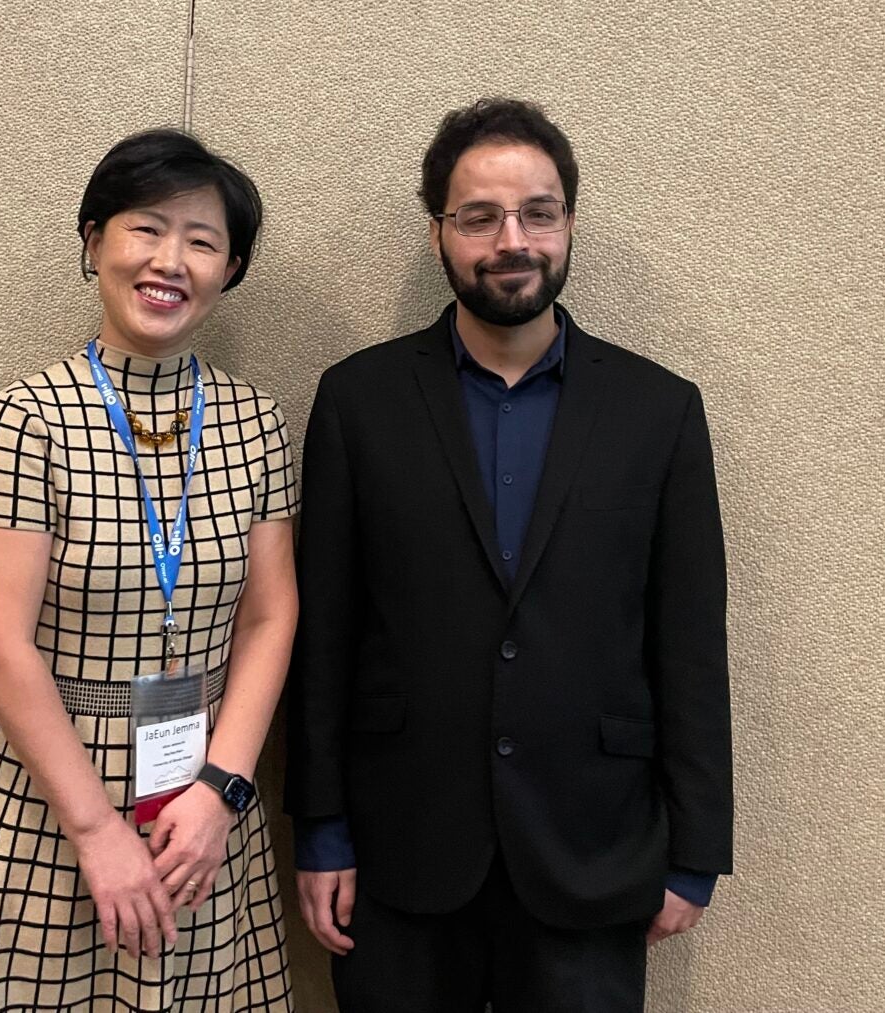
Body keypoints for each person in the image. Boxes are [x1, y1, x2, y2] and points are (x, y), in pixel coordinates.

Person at [285, 97, 733, 1013]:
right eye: (479, 216)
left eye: (538, 211)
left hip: (592, 846)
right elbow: (322, 628)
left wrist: (696, 848)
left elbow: (689, 638)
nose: (511, 239)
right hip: (399, 849)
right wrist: (321, 827)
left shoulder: (661, 411)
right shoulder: (359, 399)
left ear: (569, 221)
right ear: (441, 230)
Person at [0, 129, 299, 1012]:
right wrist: (94, 828)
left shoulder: (257, 422)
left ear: (230, 268)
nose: (171, 260)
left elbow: (270, 617)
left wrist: (221, 791)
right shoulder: (28, 416)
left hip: (199, 801)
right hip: (53, 794)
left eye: (203, 241)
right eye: (145, 229)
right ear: (95, 242)